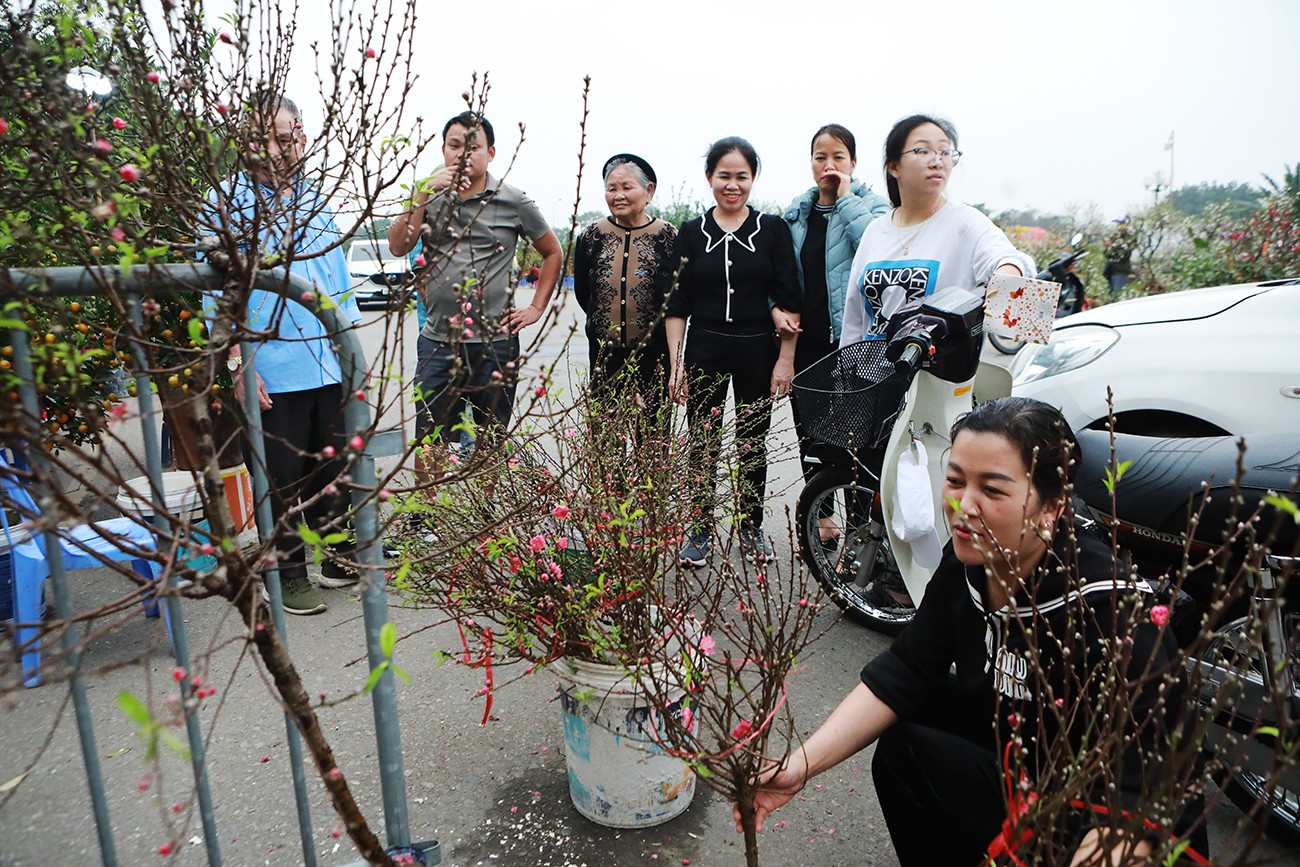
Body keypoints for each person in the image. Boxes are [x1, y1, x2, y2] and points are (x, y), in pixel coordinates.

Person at [741, 397, 1202, 865]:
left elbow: (1136, 808)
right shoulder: (972, 559)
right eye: (956, 480)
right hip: (1018, 762)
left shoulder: (1110, 614)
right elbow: (907, 669)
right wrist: (799, 766)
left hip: (1093, 814)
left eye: (994, 490)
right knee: (908, 739)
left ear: (1052, 507)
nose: (964, 506)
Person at [204, 93, 363, 615]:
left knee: (333, 464)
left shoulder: (316, 199)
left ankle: (338, 554)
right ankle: (289, 573)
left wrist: (351, 359)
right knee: (281, 476)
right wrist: (236, 366)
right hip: (271, 367)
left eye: (287, 136)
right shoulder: (225, 202)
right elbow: (217, 297)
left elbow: (336, 283)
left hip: (326, 361)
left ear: (303, 135)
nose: (278, 148)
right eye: (266, 137)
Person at [387, 111, 562, 482]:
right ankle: (426, 519)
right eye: (454, 146)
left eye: (474, 147)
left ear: (491, 153)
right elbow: (399, 246)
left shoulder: (513, 201)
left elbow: (553, 252)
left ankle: (483, 516)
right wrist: (422, 192)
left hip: (496, 342)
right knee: (430, 434)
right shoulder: (426, 196)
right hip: (438, 339)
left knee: (490, 435)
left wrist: (535, 308)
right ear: (443, 149)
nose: (463, 155)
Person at [666, 137, 800, 566]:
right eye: (724, 175)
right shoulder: (690, 232)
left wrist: (786, 359)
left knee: (752, 442)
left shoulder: (772, 230)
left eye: (741, 176)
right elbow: (677, 305)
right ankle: (700, 529)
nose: (732, 184)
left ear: (752, 179)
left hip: (756, 349)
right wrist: (677, 364)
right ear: (710, 178)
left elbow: (790, 296)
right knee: (702, 442)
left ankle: (750, 527)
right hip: (704, 347)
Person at [782, 124, 890, 546]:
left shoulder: (875, 208)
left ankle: (863, 526)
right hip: (808, 343)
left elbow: (878, 250)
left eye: (838, 157)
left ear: (853, 163)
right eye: (820, 157)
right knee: (812, 432)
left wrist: (844, 200)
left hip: (859, 345)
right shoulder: (795, 215)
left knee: (862, 439)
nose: (828, 165)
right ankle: (823, 515)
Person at [840, 115, 1034, 346]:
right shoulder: (875, 231)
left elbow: (1013, 261)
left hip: (935, 380)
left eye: (944, 152)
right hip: (871, 377)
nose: (937, 161)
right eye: (923, 151)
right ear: (893, 167)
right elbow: (854, 318)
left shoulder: (965, 222)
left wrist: (1008, 274)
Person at [572, 153, 677, 430]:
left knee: (654, 444)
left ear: (649, 191)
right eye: (611, 188)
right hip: (604, 358)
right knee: (606, 446)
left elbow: (678, 297)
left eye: (626, 187)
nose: (618, 195)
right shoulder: (591, 236)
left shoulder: (669, 237)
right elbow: (584, 292)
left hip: (655, 358)